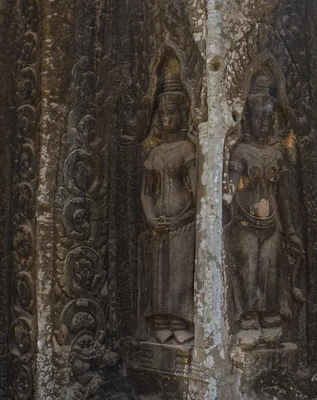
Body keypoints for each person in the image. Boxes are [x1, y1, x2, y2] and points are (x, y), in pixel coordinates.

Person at [225, 68, 304, 350]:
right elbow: (231, 188)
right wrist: (225, 203)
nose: (262, 123)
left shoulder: (277, 153)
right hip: (244, 224)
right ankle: (247, 318)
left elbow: (283, 195)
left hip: (272, 225)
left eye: (267, 118)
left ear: (274, 121)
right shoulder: (240, 152)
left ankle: (269, 316)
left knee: (270, 269)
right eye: (258, 117)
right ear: (248, 118)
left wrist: (291, 230)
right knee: (247, 268)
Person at [141, 69, 197, 345]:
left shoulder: (188, 150)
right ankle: (160, 319)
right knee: (159, 274)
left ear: (183, 114)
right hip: (159, 224)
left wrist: (187, 216)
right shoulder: (154, 153)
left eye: (171, 114)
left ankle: (179, 319)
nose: (166, 119)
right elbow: (146, 192)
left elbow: (198, 191)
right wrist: (150, 217)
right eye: (162, 115)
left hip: (183, 222)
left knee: (180, 271)